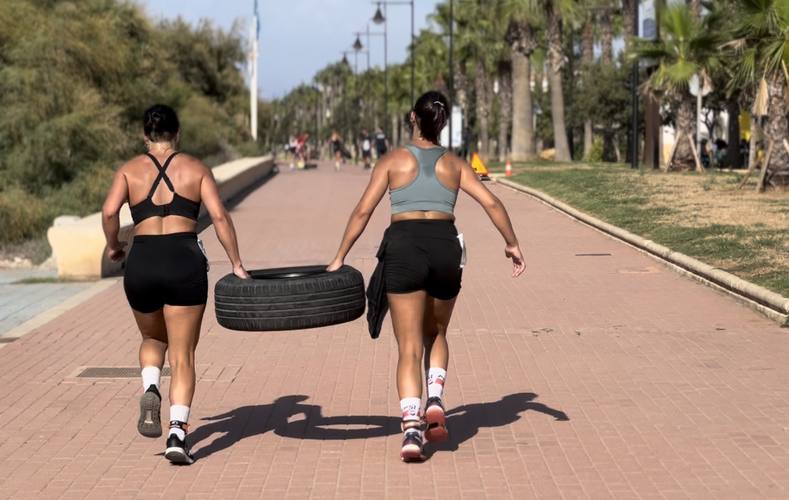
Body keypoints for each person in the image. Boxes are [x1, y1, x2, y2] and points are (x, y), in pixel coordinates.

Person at [326, 91, 526, 462]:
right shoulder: (455, 163)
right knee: (437, 333)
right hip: (445, 245)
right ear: (442, 123)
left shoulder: (393, 160)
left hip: (404, 246)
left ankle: (412, 430)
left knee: (409, 346)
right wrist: (512, 244)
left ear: (412, 117)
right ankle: (435, 397)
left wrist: (339, 257)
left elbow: (362, 212)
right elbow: (492, 202)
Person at [102, 104, 250, 465]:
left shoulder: (129, 171)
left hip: (142, 260)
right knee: (183, 355)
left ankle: (151, 386)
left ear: (145, 135)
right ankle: (177, 434)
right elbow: (219, 217)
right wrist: (236, 263)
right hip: (183, 260)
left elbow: (109, 212)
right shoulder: (196, 169)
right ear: (177, 133)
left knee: (153, 339)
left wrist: (114, 245)